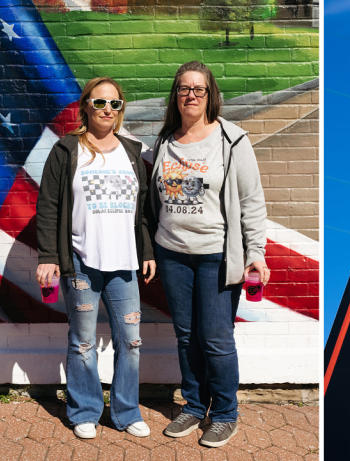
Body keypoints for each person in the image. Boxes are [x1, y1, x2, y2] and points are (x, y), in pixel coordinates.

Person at [150, 61, 269, 448]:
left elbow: (251, 202)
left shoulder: (232, 141)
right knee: (186, 337)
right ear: (176, 95)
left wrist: (257, 252)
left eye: (198, 89)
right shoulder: (165, 140)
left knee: (216, 338)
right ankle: (193, 404)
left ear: (210, 95)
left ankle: (224, 414)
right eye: (184, 89)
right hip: (172, 254)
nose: (191, 96)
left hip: (216, 256)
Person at [35, 77, 155, 439]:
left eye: (115, 105)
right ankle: (84, 410)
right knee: (83, 343)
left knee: (131, 342)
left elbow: (144, 211)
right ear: (86, 105)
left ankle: (125, 411)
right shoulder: (66, 150)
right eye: (100, 103)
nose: (107, 110)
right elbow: (49, 206)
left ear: (122, 110)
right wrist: (48, 256)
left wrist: (147, 251)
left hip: (125, 265)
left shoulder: (133, 151)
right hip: (82, 263)